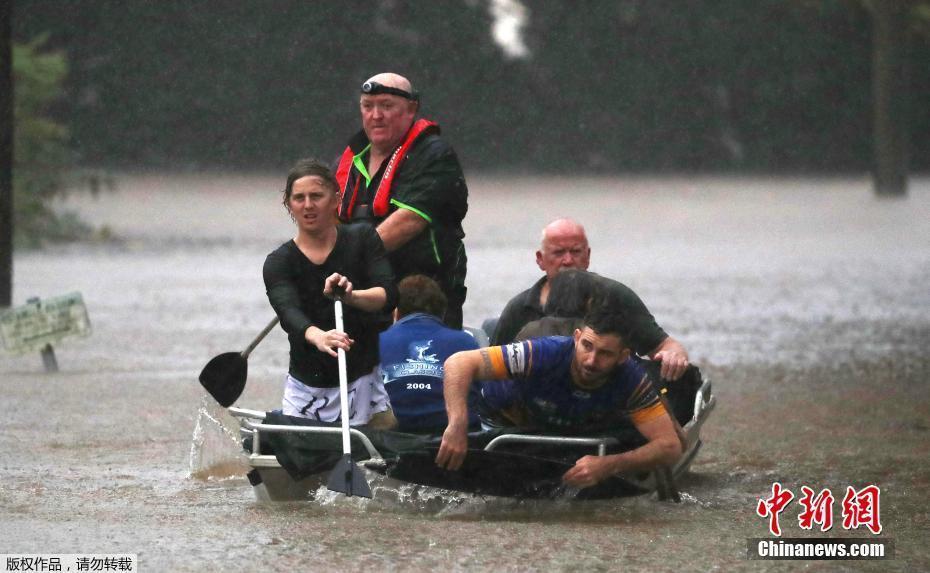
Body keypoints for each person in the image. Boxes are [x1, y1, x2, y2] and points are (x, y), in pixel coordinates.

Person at [435, 307, 683, 489]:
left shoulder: (631, 379)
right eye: (587, 346)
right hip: (503, 416)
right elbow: (458, 362)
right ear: (576, 337)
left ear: (622, 356)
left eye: (605, 354)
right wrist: (456, 425)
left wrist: (608, 465)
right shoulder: (543, 352)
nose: (591, 360)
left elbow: (670, 446)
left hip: (569, 426)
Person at [263, 158, 398, 428]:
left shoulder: (363, 239)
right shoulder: (279, 262)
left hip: (365, 380)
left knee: (380, 443)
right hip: (307, 387)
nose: (308, 205)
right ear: (289, 204)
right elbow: (288, 312)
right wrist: (319, 336)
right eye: (299, 198)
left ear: (336, 199)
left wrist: (352, 297)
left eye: (316, 196)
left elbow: (388, 295)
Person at [333, 72, 469, 329]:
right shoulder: (348, 160)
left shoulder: (435, 155)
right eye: (368, 106)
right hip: (363, 293)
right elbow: (328, 220)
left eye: (386, 106)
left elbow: (410, 220)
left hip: (424, 296)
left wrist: (349, 259)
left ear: (411, 109)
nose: (376, 115)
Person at [492, 218, 690, 381]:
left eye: (575, 252)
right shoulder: (520, 308)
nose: (568, 261)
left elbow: (666, 345)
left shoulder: (617, 298)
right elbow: (491, 367)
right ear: (540, 259)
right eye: (558, 253)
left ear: (587, 256)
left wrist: (673, 357)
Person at [378, 274, 482, 434]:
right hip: (460, 447)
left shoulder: (375, 343)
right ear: (443, 313)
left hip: (393, 446)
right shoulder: (467, 343)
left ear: (396, 313)